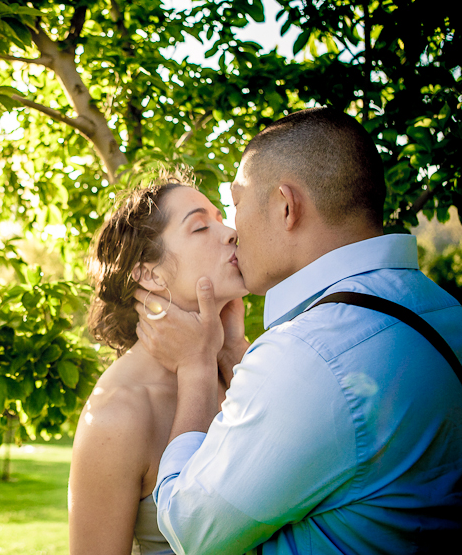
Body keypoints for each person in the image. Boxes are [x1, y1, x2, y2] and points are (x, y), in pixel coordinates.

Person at [137, 108, 462, 554]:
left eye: (235, 204)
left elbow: (192, 529)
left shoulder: (310, 352)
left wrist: (195, 366)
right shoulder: (444, 310)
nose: (232, 230)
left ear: (286, 207)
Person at [68, 174, 250, 555]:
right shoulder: (116, 413)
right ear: (149, 273)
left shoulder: (239, 368)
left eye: (221, 218)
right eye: (200, 226)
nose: (230, 232)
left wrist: (234, 351)